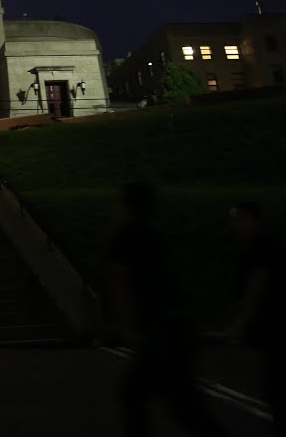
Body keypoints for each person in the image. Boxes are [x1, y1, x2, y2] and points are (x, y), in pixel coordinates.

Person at [106, 183, 225, 437]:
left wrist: (126, 327)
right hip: (177, 327)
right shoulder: (155, 236)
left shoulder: (124, 237)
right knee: (182, 402)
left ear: (128, 207)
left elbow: (122, 283)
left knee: (137, 395)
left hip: (160, 332)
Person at [228, 202, 286, 437]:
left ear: (257, 222)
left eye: (242, 219)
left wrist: (241, 324)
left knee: (285, 394)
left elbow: (256, 286)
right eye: (235, 220)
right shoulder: (260, 247)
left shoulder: (259, 247)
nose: (237, 225)